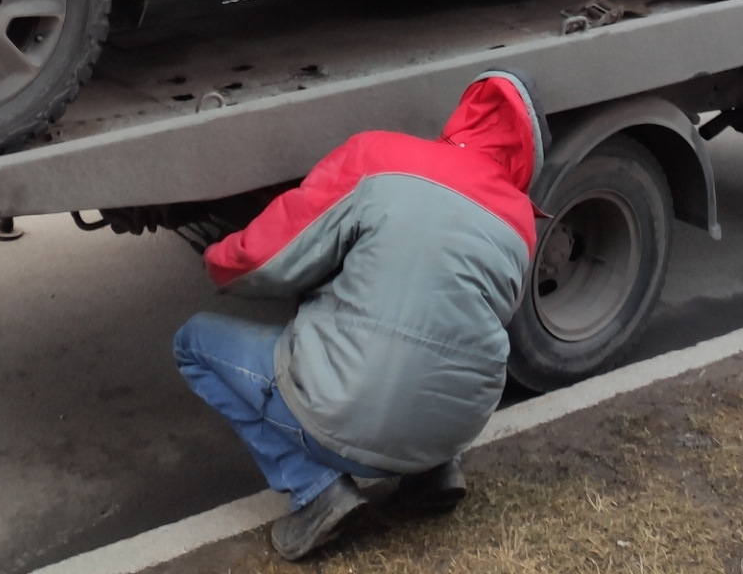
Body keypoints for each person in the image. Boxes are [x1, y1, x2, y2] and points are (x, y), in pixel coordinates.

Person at [173, 71, 545, 560]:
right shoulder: (520, 223)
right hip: (453, 429)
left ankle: (315, 489)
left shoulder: (381, 156)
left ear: (464, 115)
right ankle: (433, 470)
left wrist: (218, 258)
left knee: (193, 343)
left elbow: (275, 255)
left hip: (342, 421)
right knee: (441, 336)